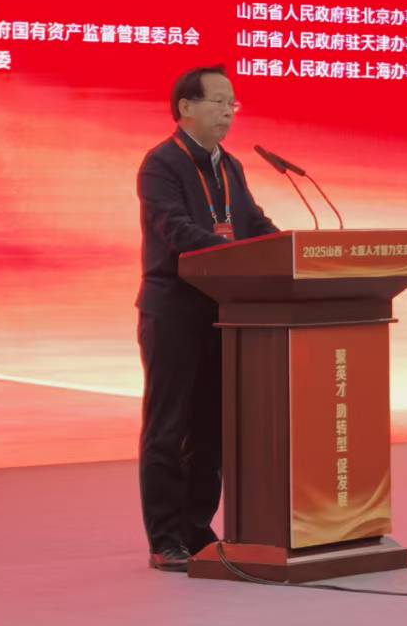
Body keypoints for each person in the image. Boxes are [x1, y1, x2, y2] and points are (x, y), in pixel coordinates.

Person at [135, 64, 280, 571]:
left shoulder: (230, 166)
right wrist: (235, 254)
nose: (228, 111)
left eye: (232, 103)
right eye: (218, 101)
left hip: (223, 312)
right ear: (186, 108)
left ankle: (197, 529)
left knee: (211, 430)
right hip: (173, 312)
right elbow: (175, 230)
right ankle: (165, 538)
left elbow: (254, 223)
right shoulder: (161, 164)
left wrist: (291, 251)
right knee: (168, 426)